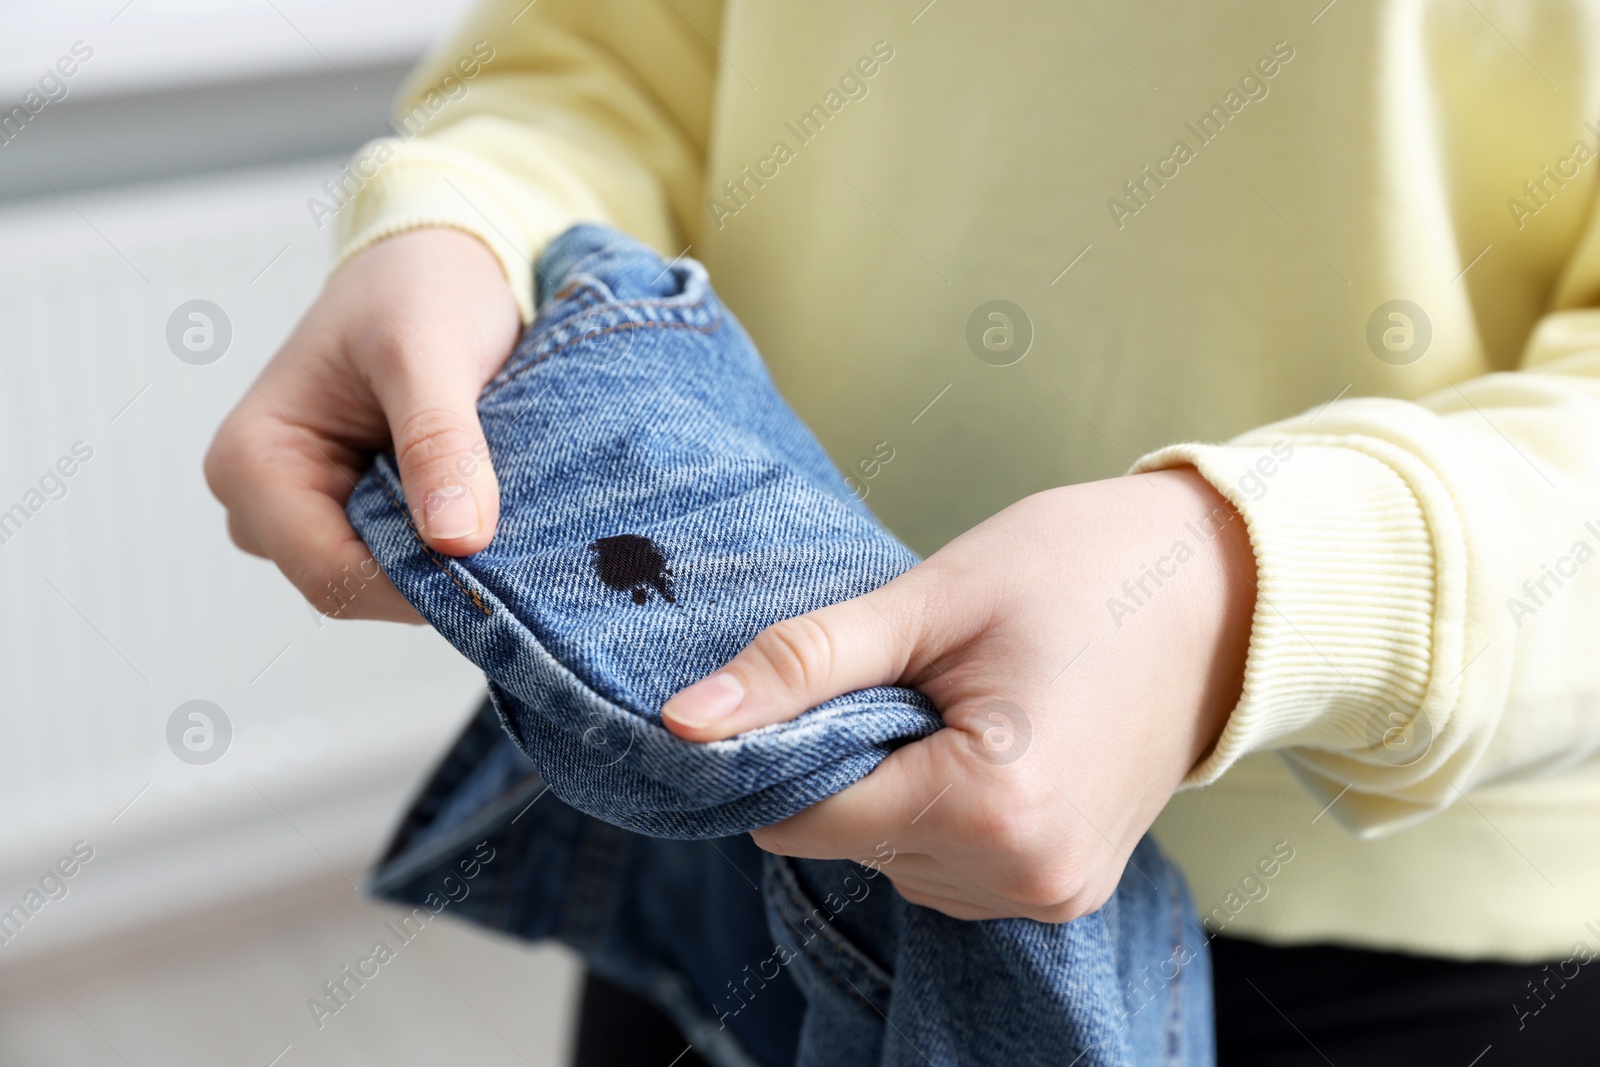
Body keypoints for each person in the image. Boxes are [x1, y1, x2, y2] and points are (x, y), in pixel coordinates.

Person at [205, 1, 1600, 1062]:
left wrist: (1244, 592)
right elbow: (603, 57)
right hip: (745, 827)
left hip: (1422, 942)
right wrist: (467, 226)